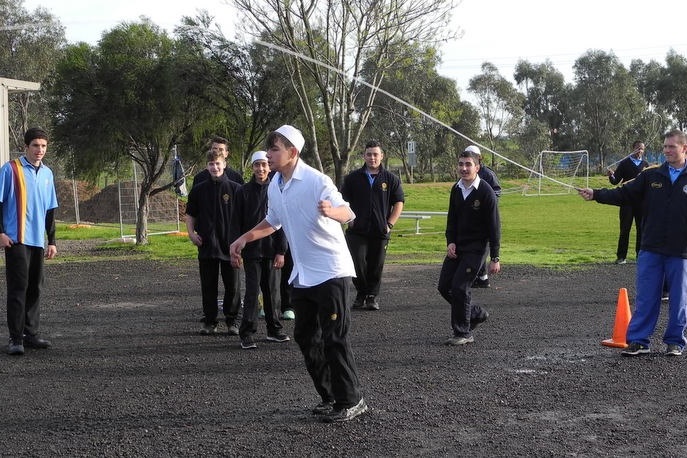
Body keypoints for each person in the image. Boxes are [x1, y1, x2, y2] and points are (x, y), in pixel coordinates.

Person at [230, 125, 367, 423]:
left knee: (335, 337)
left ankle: (352, 399)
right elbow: (273, 221)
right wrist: (244, 238)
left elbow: (348, 212)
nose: (269, 154)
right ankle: (331, 396)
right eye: (269, 148)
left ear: (293, 152)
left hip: (331, 271)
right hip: (303, 275)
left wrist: (332, 212)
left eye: (275, 149)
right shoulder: (276, 184)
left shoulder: (317, 180)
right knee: (305, 335)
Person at [578, 129, 687, 357]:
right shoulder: (651, 175)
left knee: (679, 300)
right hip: (651, 247)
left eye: (671, 147)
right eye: (665, 146)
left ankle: (675, 341)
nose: (666, 150)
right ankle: (639, 340)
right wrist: (596, 194)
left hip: (681, 251)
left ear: (684, 148)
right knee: (647, 296)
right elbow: (624, 194)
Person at [0, 127, 58, 356]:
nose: (39, 150)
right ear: (26, 146)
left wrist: (52, 240)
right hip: (16, 240)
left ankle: (30, 334)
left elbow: (50, 210)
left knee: (35, 287)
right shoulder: (10, 170)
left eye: (43, 146)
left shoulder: (47, 174)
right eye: (35, 145)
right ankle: (15, 338)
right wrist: (1, 233)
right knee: (18, 289)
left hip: (38, 241)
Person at [437, 148, 501, 346]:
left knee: (460, 286)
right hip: (458, 246)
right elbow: (452, 220)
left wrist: (495, 257)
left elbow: (494, 226)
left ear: (477, 167)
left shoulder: (485, 192)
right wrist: (451, 241)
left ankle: (463, 332)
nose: (463, 168)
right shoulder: (456, 189)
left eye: (468, 164)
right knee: (445, 287)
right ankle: (475, 313)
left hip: (477, 248)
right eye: (461, 164)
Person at [230, 151, 290, 349]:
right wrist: (236, 249)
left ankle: (274, 330)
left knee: (272, 292)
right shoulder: (242, 192)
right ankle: (247, 332)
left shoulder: (278, 189)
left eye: (264, 165)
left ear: (269, 166)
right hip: (251, 251)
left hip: (272, 250)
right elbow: (235, 223)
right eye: (257, 165)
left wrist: (281, 251)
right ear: (252, 167)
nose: (261, 169)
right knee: (252, 292)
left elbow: (283, 222)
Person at [341, 140, 404, 310]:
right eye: (369, 154)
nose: (372, 157)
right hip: (357, 231)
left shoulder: (390, 179)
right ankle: (361, 293)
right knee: (357, 263)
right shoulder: (353, 178)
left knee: (376, 265)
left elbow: (398, 202)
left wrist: (390, 223)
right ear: (364, 156)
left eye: (376, 154)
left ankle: (371, 297)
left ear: (381, 156)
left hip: (380, 231)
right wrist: (349, 220)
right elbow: (342, 202)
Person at [185, 149, 242, 336]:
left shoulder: (236, 189)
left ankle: (232, 321)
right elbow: (190, 214)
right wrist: (191, 233)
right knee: (208, 285)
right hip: (207, 246)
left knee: (232, 286)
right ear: (206, 166)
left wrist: (241, 241)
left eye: (218, 163)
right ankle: (210, 321)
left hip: (230, 246)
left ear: (224, 164)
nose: (215, 167)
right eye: (211, 164)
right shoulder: (199, 189)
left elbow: (244, 217)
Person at [606, 140, 650, 264]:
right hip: (626, 201)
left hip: (641, 203)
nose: (639, 151)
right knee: (624, 229)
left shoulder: (646, 165)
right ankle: (621, 257)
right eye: (637, 148)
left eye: (641, 149)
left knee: (642, 230)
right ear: (633, 148)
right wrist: (611, 175)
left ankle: (639, 257)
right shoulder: (624, 163)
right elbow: (615, 181)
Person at [464, 145, 501, 289]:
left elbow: (496, 192)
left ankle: (481, 277)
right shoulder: (467, 172)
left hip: (485, 217)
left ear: (479, 158)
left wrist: (487, 205)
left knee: (481, 247)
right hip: (470, 217)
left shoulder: (488, 174)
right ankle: (481, 277)